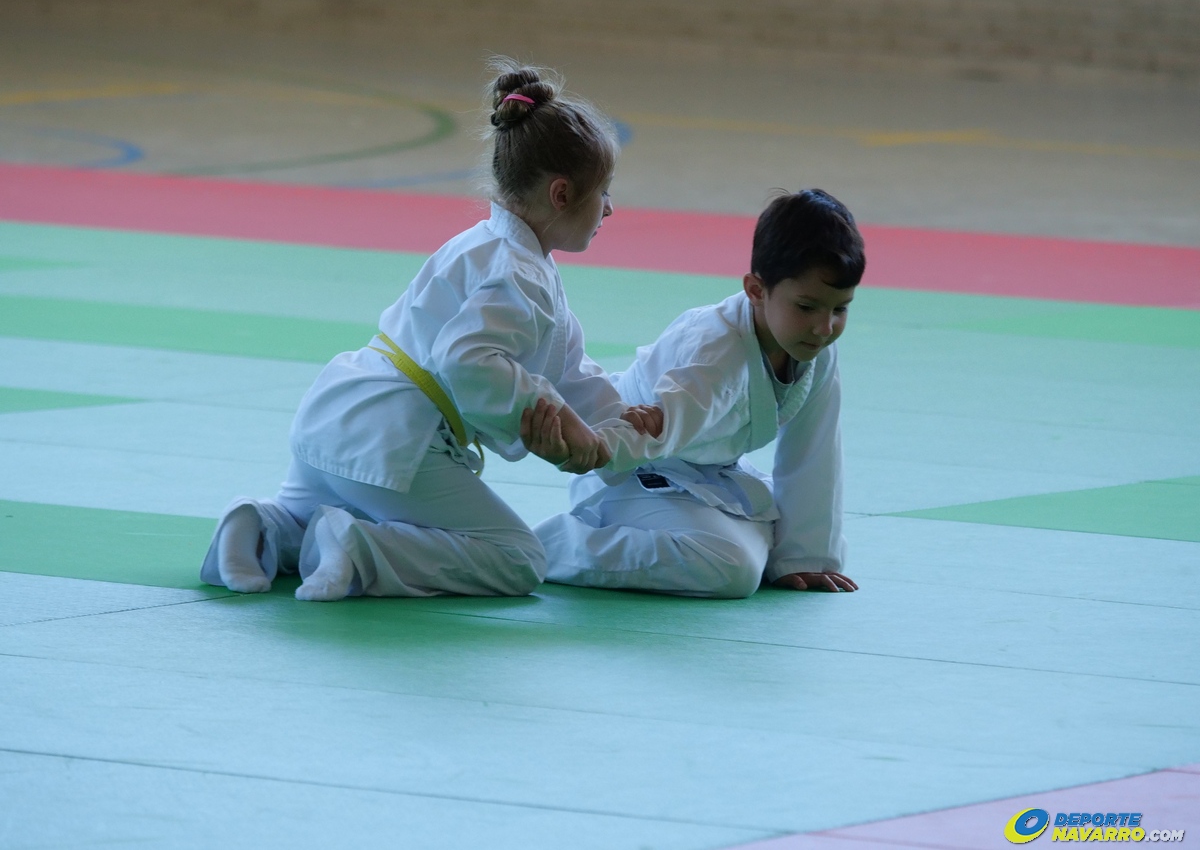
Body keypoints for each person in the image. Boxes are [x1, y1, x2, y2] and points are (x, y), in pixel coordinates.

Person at [200, 59, 661, 601]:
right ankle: (358, 547)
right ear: (561, 195)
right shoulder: (520, 272)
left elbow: (567, 367)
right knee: (517, 559)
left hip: (338, 414)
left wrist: (614, 424)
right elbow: (469, 362)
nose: (610, 208)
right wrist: (556, 421)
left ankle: (260, 528)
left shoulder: (490, 248)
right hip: (396, 437)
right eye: (603, 191)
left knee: (302, 515)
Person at [530, 189, 863, 599]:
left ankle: (752, 543)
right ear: (756, 289)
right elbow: (663, 422)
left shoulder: (813, 350)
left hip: (702, 476)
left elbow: (815, 453)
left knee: (776, 542)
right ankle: (547, 546)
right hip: (630, 468)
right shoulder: (715, 349)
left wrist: (807, 557)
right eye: (807, 307)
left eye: (840, 309)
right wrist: (589, 447)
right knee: (734, 569)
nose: (824, 327)